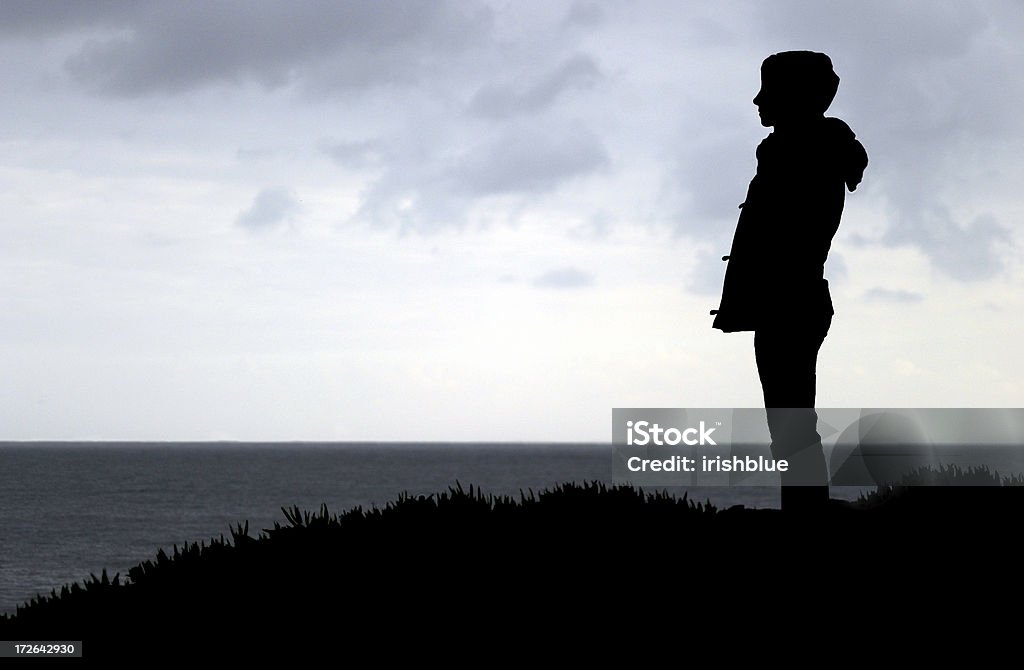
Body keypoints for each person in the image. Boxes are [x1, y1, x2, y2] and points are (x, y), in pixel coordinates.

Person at [711, 51, 868, 512]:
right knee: (791, 417)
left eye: (770, 90)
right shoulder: (802, 150)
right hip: (793, 299)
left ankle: (806, 509)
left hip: (790, 301)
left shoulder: (796, 152)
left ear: (796, 97)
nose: (758, 100)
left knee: (791, 418)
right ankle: (805, 505)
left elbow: (781, 235)